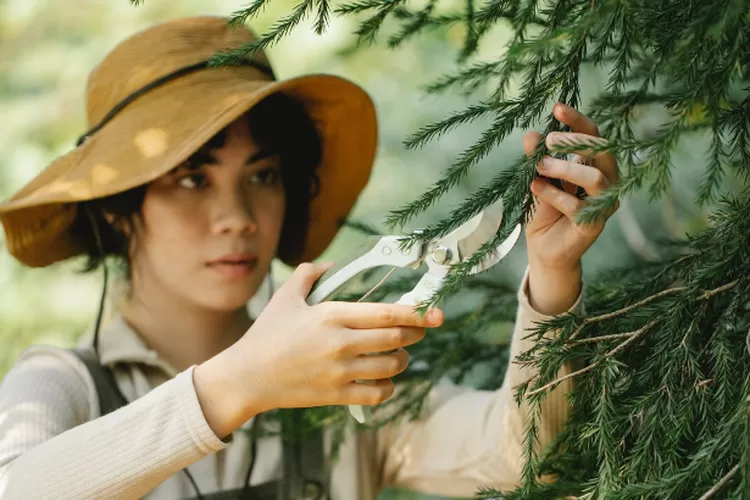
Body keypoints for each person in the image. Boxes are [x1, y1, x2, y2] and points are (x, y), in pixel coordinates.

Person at [0, 16, 618, 500]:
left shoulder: (332, 380)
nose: (238, 215)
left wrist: (554, 273)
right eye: (192, 180)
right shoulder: (63, 384)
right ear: (115, 206)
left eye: (263, 174)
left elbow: (526, 460)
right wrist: (238, 383)